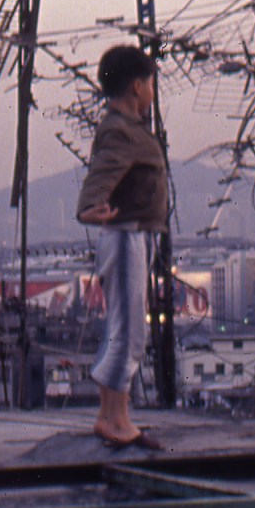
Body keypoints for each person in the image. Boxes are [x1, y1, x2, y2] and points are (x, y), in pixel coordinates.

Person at [74, 44, 168, 450]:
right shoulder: (120, 130)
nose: (152, 91)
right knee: (129, 331)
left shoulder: (128, 127)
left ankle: (111, 415)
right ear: (137, 85)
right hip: (126, 235)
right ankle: (116, 419)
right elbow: (101, 175)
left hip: (132, 235)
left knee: (123, 328)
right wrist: (91, 208)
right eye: (150, 83)